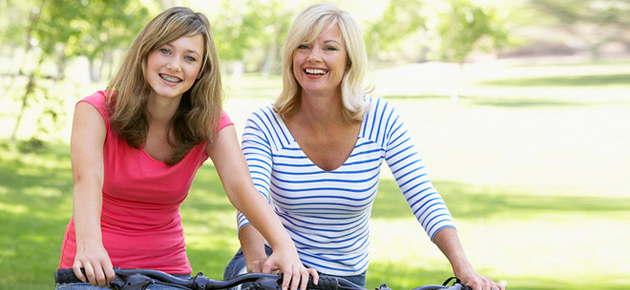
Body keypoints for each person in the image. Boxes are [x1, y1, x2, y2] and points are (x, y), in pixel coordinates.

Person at [223, 3, 504, 290]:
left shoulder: (380, 119)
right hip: (279, 267)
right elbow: (251, 199)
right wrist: (257, 265)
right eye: (303, 46)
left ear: (350, 61)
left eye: (330, 48)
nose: (313, 57)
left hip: (346, 279)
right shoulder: (265, 124)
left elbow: (423, 195)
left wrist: (464, 270)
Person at [56, 7, 316, 290]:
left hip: (167, 271)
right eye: (165, 51)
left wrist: (283, 246)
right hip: (93, 264)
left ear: (201, 71)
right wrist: (91, 246)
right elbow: (87, 179)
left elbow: (241, 186)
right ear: (145, 53)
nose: (175, 66)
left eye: (189, 58)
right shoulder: (96, 110)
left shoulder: (210, 122)